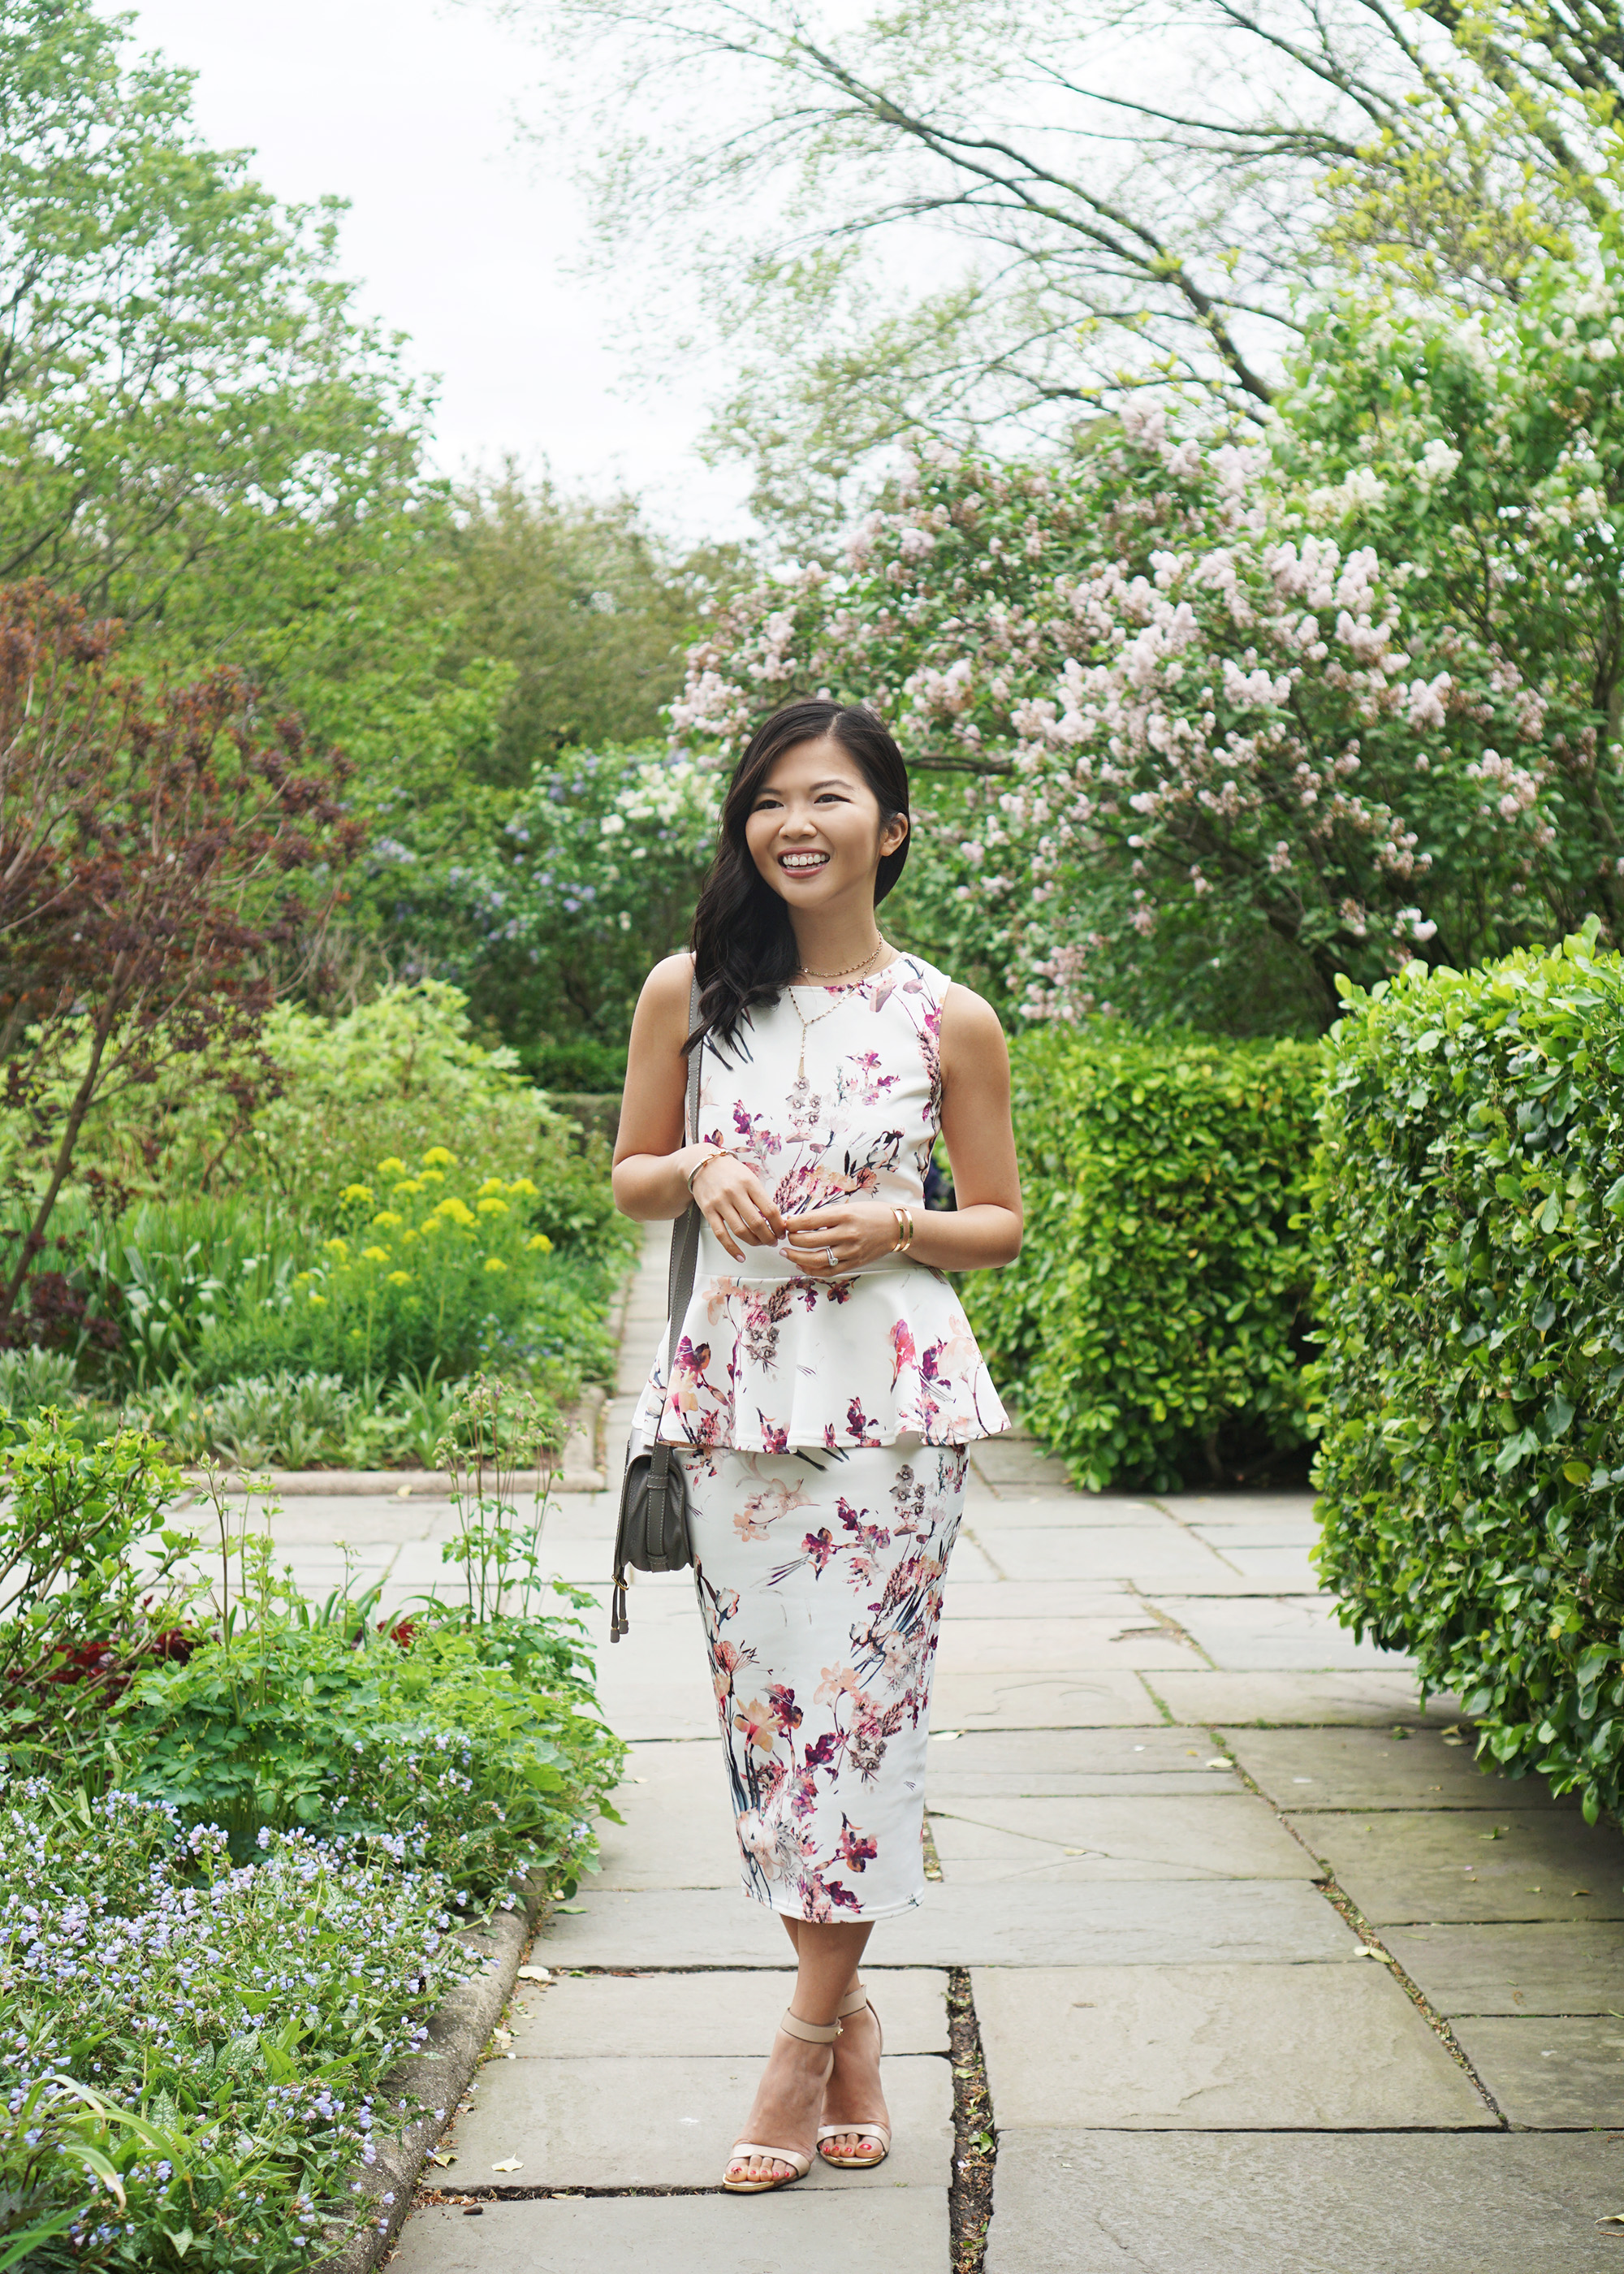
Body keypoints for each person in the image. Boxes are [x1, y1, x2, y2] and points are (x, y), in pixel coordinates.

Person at [611, 697, 1022, 2194]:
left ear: (890, 829)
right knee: (772, 1719)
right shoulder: (689, 991)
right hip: (731, 1396)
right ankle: (848, 2020)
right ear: (747, 828)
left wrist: (900, 1222)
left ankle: (795, 2042)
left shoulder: (945, 1015)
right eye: (771, 799)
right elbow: (631, 1179)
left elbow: (1001, 1221)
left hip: (892, 1407)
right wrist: (706, 1163)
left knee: (859, 1707)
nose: (796, 823)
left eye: (830, 797)